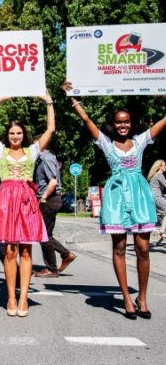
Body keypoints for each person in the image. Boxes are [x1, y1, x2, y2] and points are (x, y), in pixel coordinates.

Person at [64, 80, 166, 320]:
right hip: (116, 197)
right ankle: (127, 298)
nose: (123, 125)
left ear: (131, 123)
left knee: (142, 248)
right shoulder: (106, 143)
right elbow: (87, 121)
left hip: (140, 197)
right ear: (114, 123)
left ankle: (142, 296)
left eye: (126, 121)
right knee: (119, 247)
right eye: (119, 122)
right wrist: (72, 98)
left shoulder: (141, 141)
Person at [0, 92, 55, 317]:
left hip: (26, 201)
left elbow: (50, 130)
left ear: (23, 135)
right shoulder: (0, 151)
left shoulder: (32, 150)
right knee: (9, 252)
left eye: (18, 133)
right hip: (7, 201)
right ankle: (10, 296)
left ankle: (24, 297)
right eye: (11, 133)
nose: (15, 136)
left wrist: (48, 102)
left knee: (26, 251)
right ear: (7, 135)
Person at [32, 135, 76, 278]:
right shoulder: (44, 159)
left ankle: (52, 268)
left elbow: (53, 182)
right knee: (45, 234)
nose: (33, 148)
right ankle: (65, 255)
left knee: (44, 235)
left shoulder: (46, 158)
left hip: (49, 200)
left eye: (35, 144)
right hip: (48, 199)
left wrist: (43, 198)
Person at [147, 159, 166, 244]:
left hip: (153, 198)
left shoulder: (154, 175)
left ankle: (159, 240)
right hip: (158, 197)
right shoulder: (159, 175)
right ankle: (161, 231)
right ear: (159, 167)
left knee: (163, 218)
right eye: (164, 165)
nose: (165, 167)